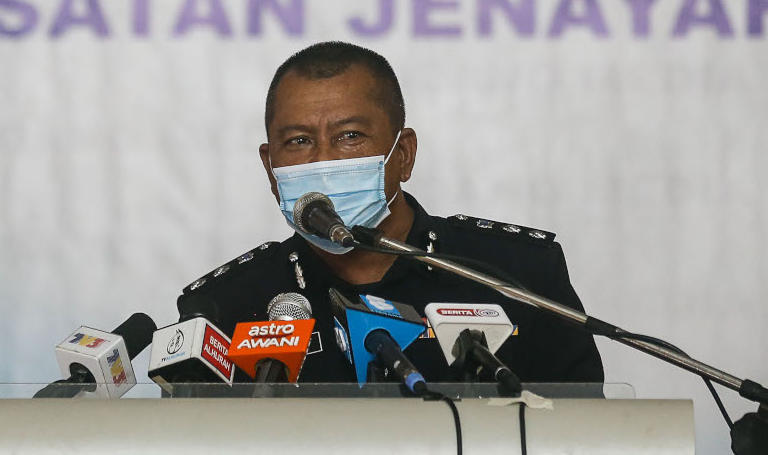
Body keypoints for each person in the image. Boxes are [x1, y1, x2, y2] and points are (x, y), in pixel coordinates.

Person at [177, 42, 603, 385]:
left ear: (403, 155)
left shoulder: (517, 276)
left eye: (349, 136)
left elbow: (587, 437)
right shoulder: (224, 308)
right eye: (299, 141)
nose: (322, 162)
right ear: (271, 168)